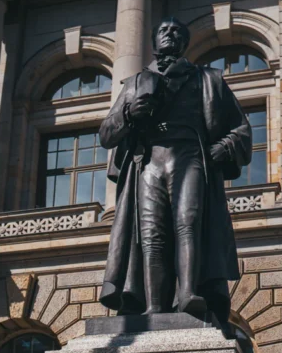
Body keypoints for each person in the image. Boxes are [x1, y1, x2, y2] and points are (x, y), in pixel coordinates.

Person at [98, 17, 251, 323]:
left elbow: (242, 129)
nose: (170, 33)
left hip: (189, 154)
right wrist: (129, 113)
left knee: (188, 221)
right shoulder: (135, 83)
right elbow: (106, 134)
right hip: (149, 161)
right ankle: (154, 306)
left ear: (184, 43)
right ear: (154, 41)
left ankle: (188, 294)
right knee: (151, 233)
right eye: (163, 29)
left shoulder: (209, 79)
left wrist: (225, 147)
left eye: (177, 31)